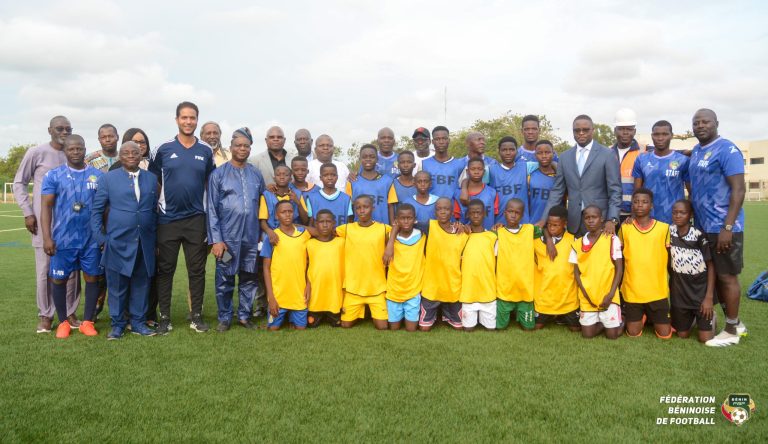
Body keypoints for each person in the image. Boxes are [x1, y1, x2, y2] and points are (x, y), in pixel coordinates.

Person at [149, 101, 216, 334]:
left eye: (192, 117)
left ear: (197, 120)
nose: (188, 121)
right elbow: (153, 181)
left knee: (197, 271)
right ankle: (165, 318)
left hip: (196, 219)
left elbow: (210, 183)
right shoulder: (163, 149)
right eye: (184, 117)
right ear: (176, 119)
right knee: (165, 270)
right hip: (167, 219)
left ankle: (196, 316)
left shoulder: (206, 150)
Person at [13, 116, 80, 333]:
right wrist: (28, 212)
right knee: (45, 270)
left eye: (68, 129)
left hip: (71, 224)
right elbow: (19, 182)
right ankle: (46, 315)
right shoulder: (36, 152)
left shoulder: (74, 153)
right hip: (44, 223)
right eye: (60, 128)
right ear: (50, 130)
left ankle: (69, 312)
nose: (64, 132)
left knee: (72, 271)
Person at [688, 108, 747, 346]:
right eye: (696, 123)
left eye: (706, 122)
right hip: (703, 227)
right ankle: (736, 323)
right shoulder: (696, 150)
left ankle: (731, 330)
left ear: (716, 123)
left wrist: (728, 227)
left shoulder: (728, 150)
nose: (701, 126)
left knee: (726, 276)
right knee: (714, 275)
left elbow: (739, 189)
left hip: (723, 227)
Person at [90, 141, 158, 339]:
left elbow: (154, 211)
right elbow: (96, 211)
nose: (130, 156)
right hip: (117, 242)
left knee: (141, 284)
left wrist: (154, 240)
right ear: (120, 156)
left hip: (144, 242)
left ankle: (138, 323)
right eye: (126, 152)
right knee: (117, 287)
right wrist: (101, 239)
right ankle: (118, 325)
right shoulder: (108, 179)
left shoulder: (151, 178)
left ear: (140, 156)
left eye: (134, 152)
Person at [40, 134, 103, 339]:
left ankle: (87, 322)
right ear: (64, 151)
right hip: (63, 239)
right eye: (71, 149)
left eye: (79, 148)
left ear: (85, 149)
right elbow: (45, 207)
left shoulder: (97, 175)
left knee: (92, 277)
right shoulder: (53, 175)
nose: (76, 152)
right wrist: (47, 238)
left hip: (90, 239)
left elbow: (105, 208)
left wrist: (103, 235)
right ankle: (63, 322)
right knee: (59, 279)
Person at [207, 128, 265, 332]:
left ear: (250, 149)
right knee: (225, 277)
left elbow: (263, 206)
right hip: (226, 240)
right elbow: (212, 209)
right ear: (230, 148)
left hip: (251, 238)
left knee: (249, 277)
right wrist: (216, 240)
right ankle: (224, 317)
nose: (242, 149)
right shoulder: (218, 174)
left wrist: (262, 236)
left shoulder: (256, 174)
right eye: (238, 145)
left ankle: (244, 316)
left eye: (246, 146)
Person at [542, 114, 622, 237]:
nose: (581, 133)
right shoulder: (564, 157)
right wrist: (544, 218)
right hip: (574, 222)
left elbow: (615, 190)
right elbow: (557, 191)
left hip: (600, 222)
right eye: (577, 130)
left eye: (585, 130)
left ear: (593, 130)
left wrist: (612, 219)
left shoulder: (607, 154)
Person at [619, 188, 672, 339]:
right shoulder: (625, 228)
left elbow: (669, 259)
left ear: (651, 205)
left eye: (644, 202)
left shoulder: (664, 228)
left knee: (664, 335)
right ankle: (643, 316)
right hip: (633, 290)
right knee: (633, 333)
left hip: (657, 290)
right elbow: (620, 257)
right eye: (636, 202)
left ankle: (651, 315)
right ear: (632, 205)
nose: (640, 205)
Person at [336, 195, 391, 330]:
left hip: (376, 288)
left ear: (373, 208)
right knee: (346, 325)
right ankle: (359, 312)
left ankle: (368, 312)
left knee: (382, 326)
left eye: (365, 207)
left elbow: (400, 231)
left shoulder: (383, 228)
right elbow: (321, 232)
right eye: (358, 208)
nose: (362, 210)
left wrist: (389, 245)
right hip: (353, 288)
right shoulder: (346, 229)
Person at [570, 205, 623, 339]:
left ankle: (622, 319)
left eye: (594, 217)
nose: (590, 220)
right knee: (587, 335)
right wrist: (585, 293)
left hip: (608, 294)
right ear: (583, 220)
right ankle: (603, 322)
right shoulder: (577, 243)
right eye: (587, 218)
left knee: (612, 336)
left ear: (602, 219)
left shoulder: (612, 239)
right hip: (588, 295)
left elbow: (619, 268)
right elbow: (576, 272)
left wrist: (611, 294)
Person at [669, 199, 715, 343]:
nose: (678, 215)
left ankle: (711, 317)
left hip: (699, 292)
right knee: (682, 335)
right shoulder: (668, 232)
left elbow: (711, 265)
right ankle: (693, 319)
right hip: (679, 292)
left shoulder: (698, 235)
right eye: (675, 212)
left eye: (682, 213)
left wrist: (708, 298)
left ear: (691, 215)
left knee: (705, 339)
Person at [261, 201, 311, 330]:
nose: (287, 214)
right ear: (276, 216)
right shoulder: (272, 237)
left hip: (299, 295)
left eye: (290, 211)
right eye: (283, 212)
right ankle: (284, 317)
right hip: (279, 296)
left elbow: (309, 263)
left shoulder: (304, 234)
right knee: (273, 329)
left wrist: (309, 284)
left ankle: (292, 318)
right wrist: (271, 298)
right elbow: (266, 268)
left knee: (301, 328)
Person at [420, 198, 468, 331]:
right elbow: (406, 223)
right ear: (435, 212)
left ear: (452, 212)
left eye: (446, 209)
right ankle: (434, 315)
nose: (442, 212)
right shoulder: (429, 226)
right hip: (432, 286)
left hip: (452, 285)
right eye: (439, 209)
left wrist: (465, 226)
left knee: (458, 327)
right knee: (424, 328)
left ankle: (447, 315)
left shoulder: (461, 232)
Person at [631, 120, 690, 225]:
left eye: (665, 134)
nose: (660, 138)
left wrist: (688, 214)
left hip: (674, 220)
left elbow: (691, 193)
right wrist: (634, 215)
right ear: (652, 136)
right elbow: (637, 192)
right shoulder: (642, 159)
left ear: (671, 135)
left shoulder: (683, 160)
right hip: (648, 220)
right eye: (656, 134)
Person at [533, 206, 580, 331]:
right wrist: (548, 238)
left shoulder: (573, 240)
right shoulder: (536, 241)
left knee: (575, 329)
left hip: (567, 298)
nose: (552, 228)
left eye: (556, 225)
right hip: (544, 299)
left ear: (565, 224)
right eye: (549, 225)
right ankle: (551, 315)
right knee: (536, 327)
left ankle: (560, 315)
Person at [495, 199, 539, 331]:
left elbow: (546, 230)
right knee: (500, 328)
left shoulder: (529, 229)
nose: (513, 215)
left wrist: (548, 240)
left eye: (517, 212)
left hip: (525, 289)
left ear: (522, 215)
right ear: (505, 213)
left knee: (528, 328)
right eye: (510, 211)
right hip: (505, 290)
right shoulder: (498, 232)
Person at [383, 204, 426, 331]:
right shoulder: (389, 236)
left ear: (415, 219)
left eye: (409, 218)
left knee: (411, 329)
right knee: (394, 328)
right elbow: (386, 254)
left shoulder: (422, 235)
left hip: (413, 289)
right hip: (394, 289)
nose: (406, 221)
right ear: (397, 220)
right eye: (402, 218)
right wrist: (393, 235)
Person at [459, 199, 498, 331]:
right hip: (468, 292)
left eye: (479, 212)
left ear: (484, 214)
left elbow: (497, 262)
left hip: (488, 291)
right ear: (468, 215)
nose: (476, 215)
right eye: (472, 213)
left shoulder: (492, 237)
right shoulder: (462, 235)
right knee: (468, 329)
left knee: (490, 329)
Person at [306, 210, 344, 327]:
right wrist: (307, 284)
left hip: (335, 296)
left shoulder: (341, 242)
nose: (325, 225)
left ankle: (333, 312)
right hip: (316, 294)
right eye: (321, 222)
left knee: (338, 323)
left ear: (334, 223)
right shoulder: (309, 243)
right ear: (316, 224)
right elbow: (306, 266)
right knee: (311, 324)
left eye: (328, 221)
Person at [345, 144, 397, 224]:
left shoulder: (387, 181)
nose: (368, 159)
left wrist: (392, 227)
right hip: (359, 229)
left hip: (382, 228)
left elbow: (390, 206)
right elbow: (349, 208)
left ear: (377, 159)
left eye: (372, 157)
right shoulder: (352, 181)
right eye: (364, 157)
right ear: (360, 159)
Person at [259, 165, 309, 244]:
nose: (282, 177)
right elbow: (262, 220)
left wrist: (298, 203)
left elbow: (305, 221)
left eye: (285, 175)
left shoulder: (297, 194)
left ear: (290, 178)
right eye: (278, 175)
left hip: (293, 233)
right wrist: (269, 231)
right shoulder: (266, 195)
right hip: (273, 232)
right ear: (274, 178)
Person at [610, 108, 643, 222]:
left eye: (629, 129)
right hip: (611, 212)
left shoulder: (643, 151)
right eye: (621, 129)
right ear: (615, 131)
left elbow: (666, 152)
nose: (625, 132)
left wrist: (686, 152)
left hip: (634, 214)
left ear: (634, 131)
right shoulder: (607, 153)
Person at [487, 136, 529, 224]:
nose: (508, 153)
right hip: (499, 223)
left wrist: (554, 165)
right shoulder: (490, 170)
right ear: (499, 152)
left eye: (511, 149)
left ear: (517, 151)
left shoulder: (526, 167)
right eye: (504, 150)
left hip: (522, 223)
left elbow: (547, 164)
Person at [454, 158, 499, 231]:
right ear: (467, 171)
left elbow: (496, 216)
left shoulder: (492, 193)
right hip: (466, 235)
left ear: (484, 172)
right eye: (473, 169)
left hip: (487, 235)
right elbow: (456, 219)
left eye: (480, 169)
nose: (476, 172)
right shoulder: (458, 194)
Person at [421, 126, 464, 199]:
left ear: (449, 140)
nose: (441, 142)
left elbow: (463, 187)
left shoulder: (460, 164)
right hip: (432, 205)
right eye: (437, 139)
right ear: (432, 142)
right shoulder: (424, 164)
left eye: (444, 138)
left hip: (452, 205)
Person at [305, 163, 353, 227]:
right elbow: (310, 223)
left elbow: (349, 223)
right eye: (325, 175)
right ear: (320, 178)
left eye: (333, 175)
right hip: (318, 234)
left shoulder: (346, 198)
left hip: (340, 233)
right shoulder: (312, 198)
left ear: (337, 177)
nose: (329, 178)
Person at [527, 140, 558, 224]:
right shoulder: (530, 175)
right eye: (540, 153)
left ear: (553, 153)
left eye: (547, 152)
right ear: (535, 155)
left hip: (556, 225)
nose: (544, 156)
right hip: (534, 223)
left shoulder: (560, 176)